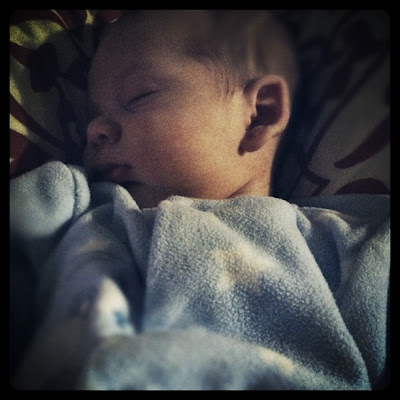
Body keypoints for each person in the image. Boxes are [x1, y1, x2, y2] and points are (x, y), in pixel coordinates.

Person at [10, 10, 389, 390]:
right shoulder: (74, 206)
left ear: (259, 114)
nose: (95, 129)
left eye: (139, 96)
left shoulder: (335, 243)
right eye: (94, 114)